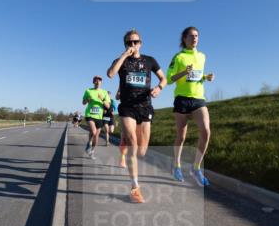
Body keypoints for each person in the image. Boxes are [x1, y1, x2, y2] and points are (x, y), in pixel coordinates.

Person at [108, 29, 166, 203]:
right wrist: (124, 55)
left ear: (141, 43)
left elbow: (163, 79)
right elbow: (110, 74)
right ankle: (135, 188)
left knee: (141, 151)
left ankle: (125, 140)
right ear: (125, 44)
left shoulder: (150, 60)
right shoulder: (121, 61)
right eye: (129, 42)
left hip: (145, 107)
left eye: (135, 42)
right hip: (127, 107)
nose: (132, 45)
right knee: (133, 143)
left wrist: (159, 88)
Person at [167, 26, 215, 186]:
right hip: (181, 99)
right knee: (181, 136)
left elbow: (198, 75)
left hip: (198, 99)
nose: (194, 38)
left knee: (206, 131)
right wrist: (183, 73)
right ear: (184, 39)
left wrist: (206, 77)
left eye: (196, 36)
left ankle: (196, 168)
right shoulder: (178, 57)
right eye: (191, 36)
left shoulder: (202, 56)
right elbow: (169, 79)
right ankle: (176, 166)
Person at [81, 76, 110, 159]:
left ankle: (92, 151)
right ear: (93, 82)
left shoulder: (104, 92)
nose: (97, 82)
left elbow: (108, 106)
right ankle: (89, 143)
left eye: (99, 81)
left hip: (99, 116)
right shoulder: (88, 91)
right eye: (96, 80)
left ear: (101, 83)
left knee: (96, 135)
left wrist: (102, 99)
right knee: (93, 132)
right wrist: (87, 100)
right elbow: (83, 102)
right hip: (90, 114)